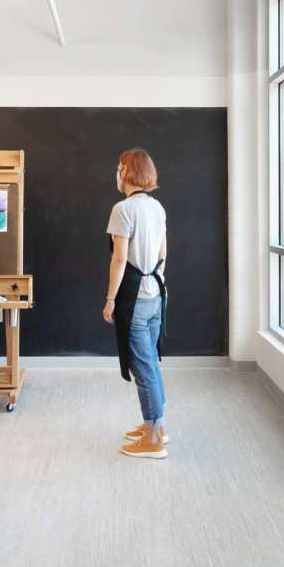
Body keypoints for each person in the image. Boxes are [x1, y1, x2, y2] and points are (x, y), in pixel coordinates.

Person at [103, 148, 169, 459]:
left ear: (127, 170)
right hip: (156, 295)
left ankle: (153, 439)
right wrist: (154, 284)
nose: (116, 173)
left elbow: (118, 259)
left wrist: (110, 299)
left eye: (118, 167)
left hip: (134, 300)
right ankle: (156, 426)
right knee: (151, 364)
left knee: (143, 368)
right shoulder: (157, 208)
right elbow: (162, 254)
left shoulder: (123, 209)